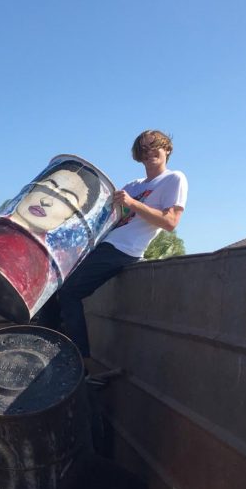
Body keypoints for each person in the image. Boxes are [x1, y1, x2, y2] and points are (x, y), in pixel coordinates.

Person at [48, 130, 188, 358]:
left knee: (69, 291)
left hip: (124, 249)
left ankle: (78, 359)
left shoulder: (174, 179)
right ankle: (43, 345)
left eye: (155, 146)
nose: (149, 152)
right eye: (144, 148)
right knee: (52, 284)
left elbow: (170, 222)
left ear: (167, 150)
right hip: (102, 245)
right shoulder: (133, 185)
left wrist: (132, 203)